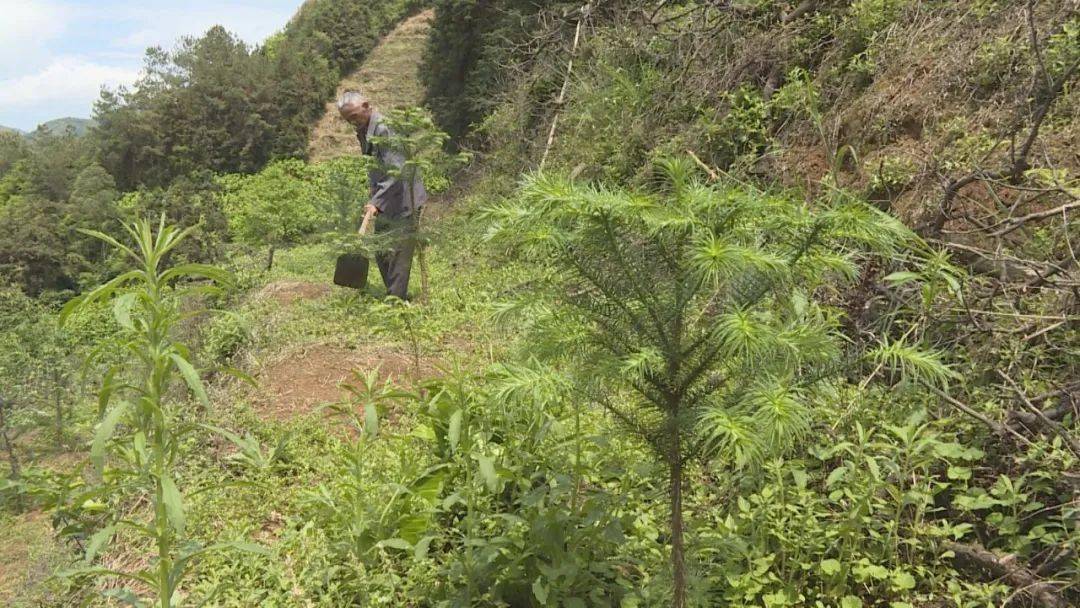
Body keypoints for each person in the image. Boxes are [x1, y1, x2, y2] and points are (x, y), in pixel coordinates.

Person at [337, 90, 427, 300]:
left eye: (354, 117)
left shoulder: (385, 129)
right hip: (386, 199)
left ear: (366, 105)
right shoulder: (365, 130)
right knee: (381, 250)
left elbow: (397, 170)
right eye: (347, 120)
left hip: (405, 199)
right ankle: (394, 296)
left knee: (398, 253)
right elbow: (378, 167)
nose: (352, 122)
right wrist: (373, 197)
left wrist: (376, 202)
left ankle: (396, 304)